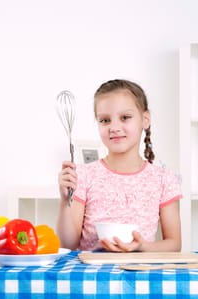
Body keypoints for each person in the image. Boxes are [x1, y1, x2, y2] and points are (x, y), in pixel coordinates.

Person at [57, 79, 182, 252]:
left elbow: (174, 244)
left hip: (138, 274)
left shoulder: (164, 179)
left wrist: (141, 247)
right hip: (92, 275)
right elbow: (67, 244)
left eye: (125, 118)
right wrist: (65, 202)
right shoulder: (84, 175)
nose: (114, 127)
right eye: (105, 120)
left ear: (145, 120)